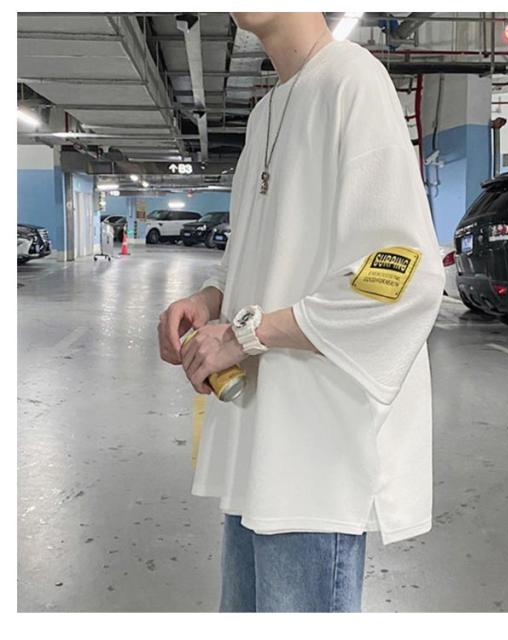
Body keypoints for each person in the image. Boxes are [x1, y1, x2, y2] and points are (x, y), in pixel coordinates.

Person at [157, 12, 445, 613]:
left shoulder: (352, 81)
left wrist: (246, 336)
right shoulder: (267, 111)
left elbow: (402, 273)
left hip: (317, 453)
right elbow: (257, 256)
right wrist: (209, 299)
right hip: (258, 449)